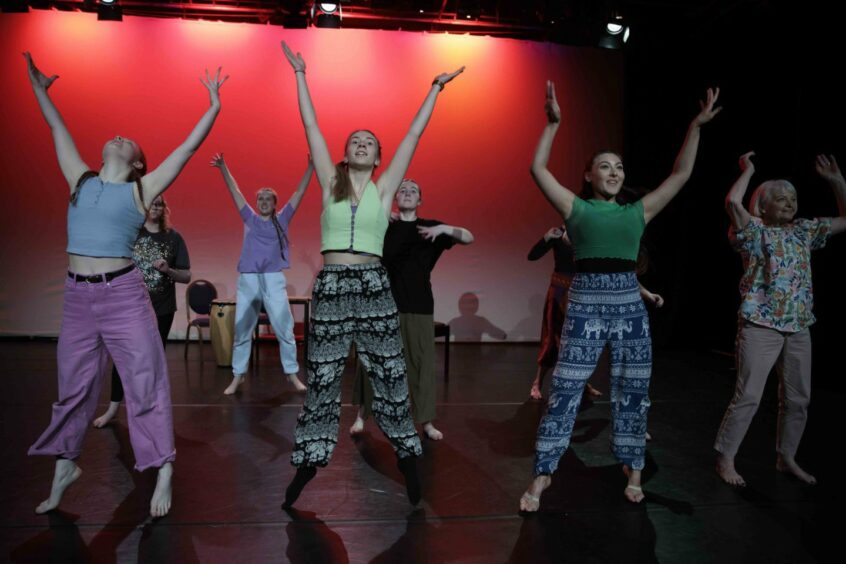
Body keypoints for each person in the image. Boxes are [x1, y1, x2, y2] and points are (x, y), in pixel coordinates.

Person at [24, 52, 226, 518]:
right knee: (72, 387)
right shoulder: (81, 180)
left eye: (126, 139)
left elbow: (188, 150)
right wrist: (40, 91)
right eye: (113, 136)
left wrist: (213, 107)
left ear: (137, 162)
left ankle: (162, 465)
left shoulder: (141, 190)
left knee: (143, 380)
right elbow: (59, 131)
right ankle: (64, 464)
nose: (116, 136)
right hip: (78, 297)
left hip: (122, 296)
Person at [520, 82, 720, 511]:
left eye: (620, 167)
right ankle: (542, 473)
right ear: (589, 175)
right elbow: (538, 170)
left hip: (630, 307)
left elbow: (681, 175)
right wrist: (553, 126)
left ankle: (633, 469)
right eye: (605, 167)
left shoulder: (637, 211)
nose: (614, 172)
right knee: (567, 389)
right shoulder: (576, 208)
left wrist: (695, 127)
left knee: (633, 388)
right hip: (587, 303)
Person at [279, 41, 463, 508]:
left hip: (374, 285)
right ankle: (308, 461)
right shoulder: (330, 185)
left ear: (379, 158)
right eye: (355, 141)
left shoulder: (384, 194)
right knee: (322, 377)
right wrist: (301, 76)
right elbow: (310, 127)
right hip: (334, 285)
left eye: (370, 142)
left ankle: (407, 456)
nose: (362, 144)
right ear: (345, 155)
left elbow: (413, 137)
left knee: (390, 375)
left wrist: (434, 90)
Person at [714, 152, 846, 487]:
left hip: (799, 325)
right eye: (780, 199)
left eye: (793, 199)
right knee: (749, 396)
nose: (789, 203)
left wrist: (837, 182)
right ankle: (726, 458)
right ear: (762, 205)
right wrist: (749, 169)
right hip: (761, 324)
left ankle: (786, 457)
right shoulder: (753, 231)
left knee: (798, 398)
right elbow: (732, 200)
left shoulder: (804, 230)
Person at [349, 179, 474, 441]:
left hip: (418, 304)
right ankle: (362, 415)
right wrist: (380, 215)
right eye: (402, 190)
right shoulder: (385, 224)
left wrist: (444, 228)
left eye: (413, 191)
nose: (407, 193)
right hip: (382, 304)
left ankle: (425, 422)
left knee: (421, 365)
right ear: (396, 199)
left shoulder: (431, 228)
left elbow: (469, 237)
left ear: (420, 201)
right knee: (372, 362)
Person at [210, 152, 313, 395]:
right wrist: (224, 167)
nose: (264, 202)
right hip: (248, 278)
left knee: (284, 328)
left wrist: (310, 168)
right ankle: (238, 376)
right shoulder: (250, 219)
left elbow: (299, 194)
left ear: (275, 203)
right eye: (261, 199)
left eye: (268, 199)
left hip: (273, 277)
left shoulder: (283, 218)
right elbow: (235, 192)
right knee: (243, 328)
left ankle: (291, 374)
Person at [92, 195, 191, 427]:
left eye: (160, 203)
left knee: (154, 360)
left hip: (162, 308)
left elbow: (186, 276)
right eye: (151, 203)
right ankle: (113, 408)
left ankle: (152, 409)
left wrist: (169, 270)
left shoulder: (174, 238)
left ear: (165, 208)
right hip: (129, 306)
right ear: (144, 208)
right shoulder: (132, 234)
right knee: (122, 357)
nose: (155, 206)